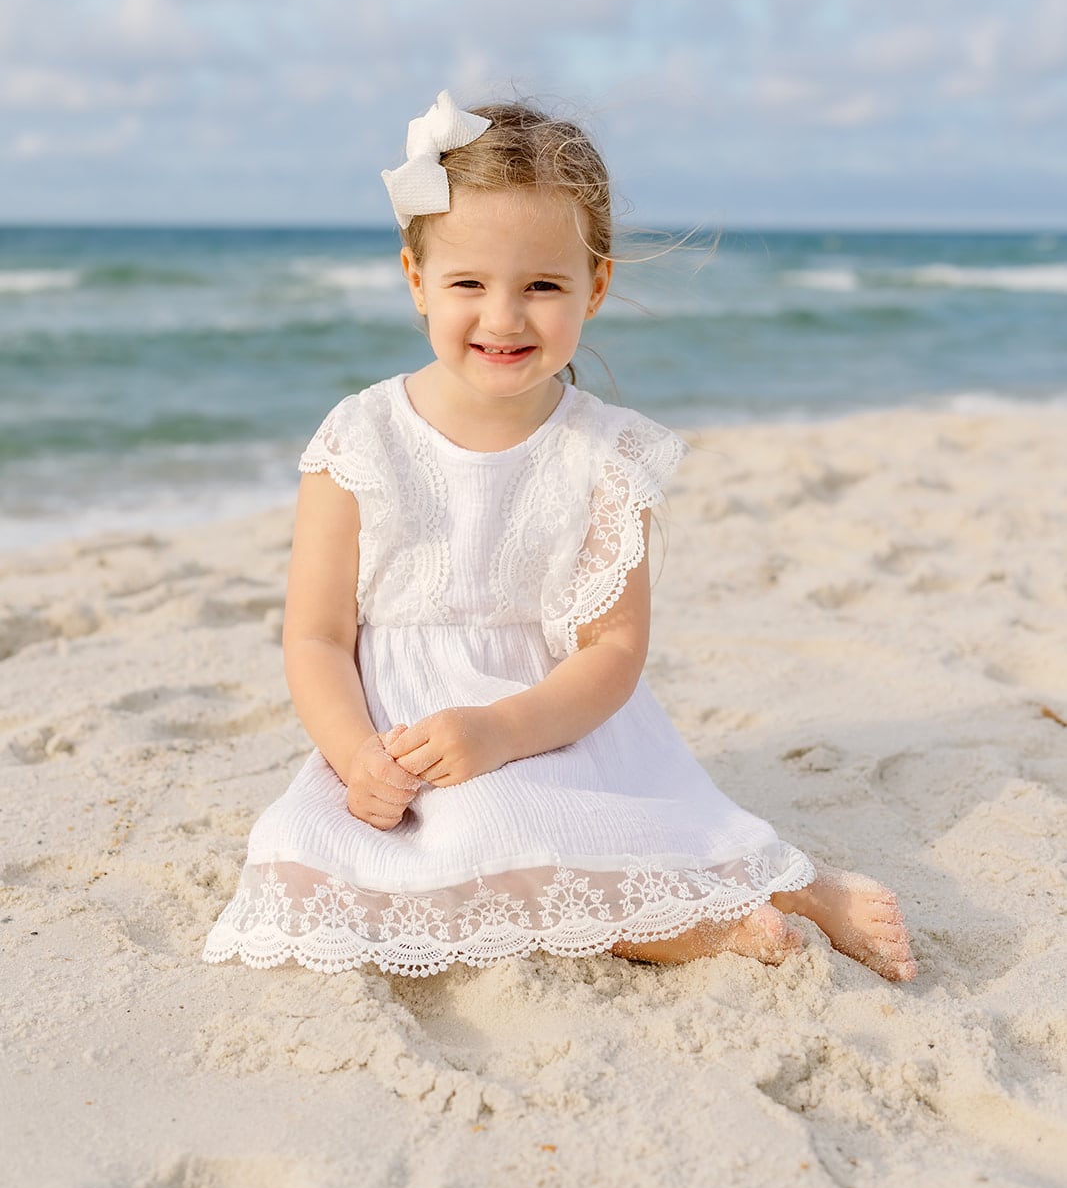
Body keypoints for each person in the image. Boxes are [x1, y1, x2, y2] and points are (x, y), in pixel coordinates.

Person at [203, 91, 918, 983]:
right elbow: (315, 637)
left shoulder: (603, 454)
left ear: (596, 286)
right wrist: (355, 757)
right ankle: (711, 919)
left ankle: (793, 894)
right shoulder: (362, 437)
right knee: (298, 854)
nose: (504, 317)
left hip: (552, 725)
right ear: (417, 280)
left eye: (541, 285)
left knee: (517, 823)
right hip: (398, 739)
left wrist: (502, 730)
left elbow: (612, 651)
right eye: (468, 284)